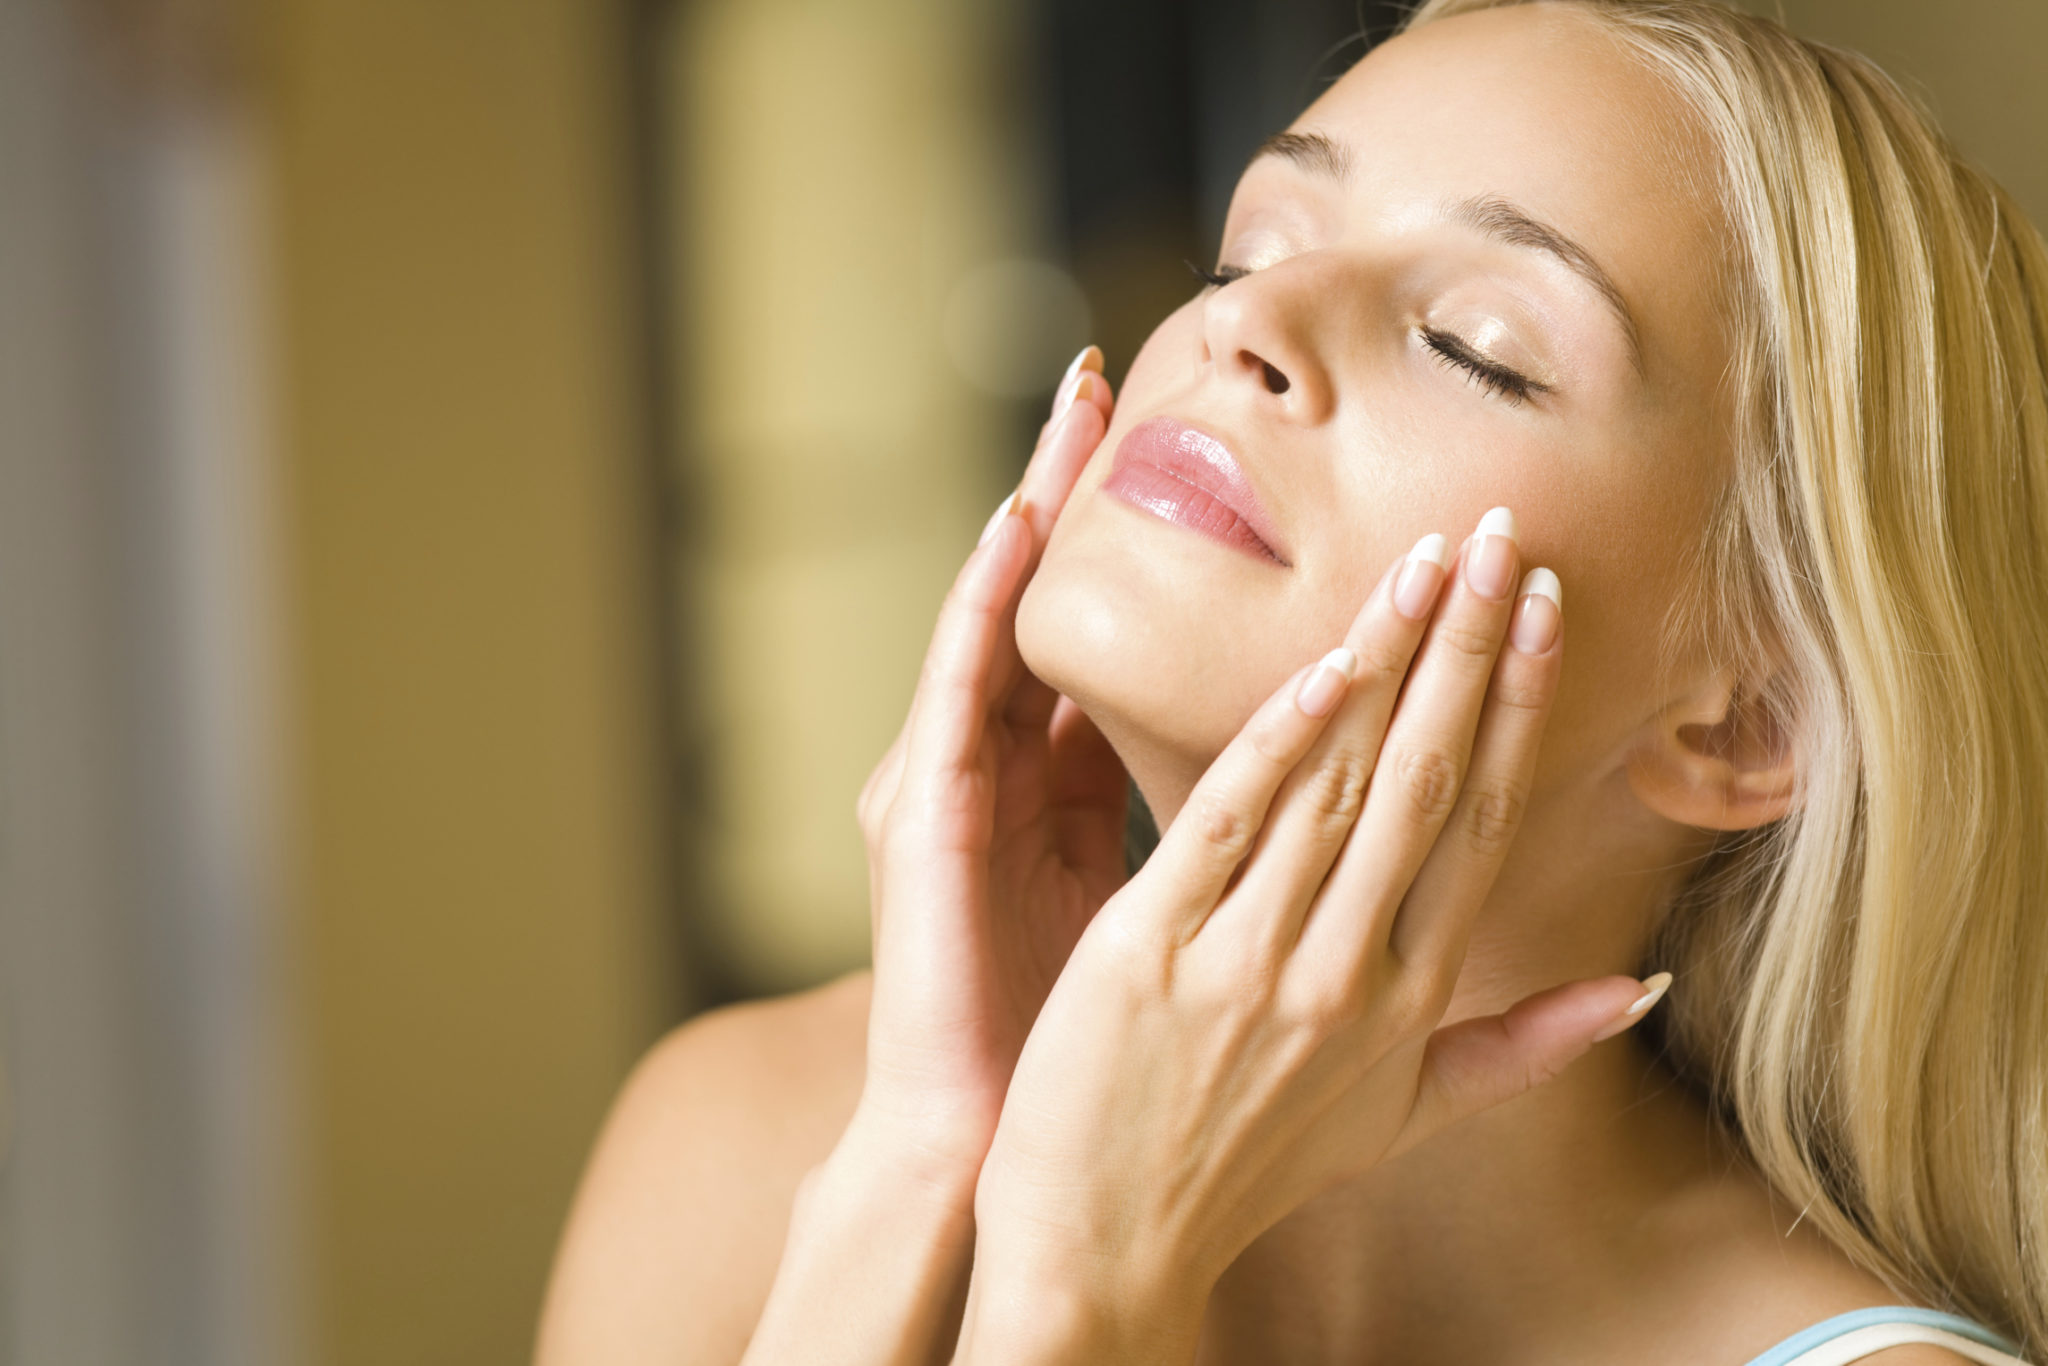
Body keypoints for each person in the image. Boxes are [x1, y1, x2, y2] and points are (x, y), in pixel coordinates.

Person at [534, 1, 2048, 1362]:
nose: (1240, 321)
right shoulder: (739, 1139)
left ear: (1748, 721)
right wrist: (925, 1163)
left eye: (1476, 347)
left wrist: (1082, 1279)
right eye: (1249, 247)